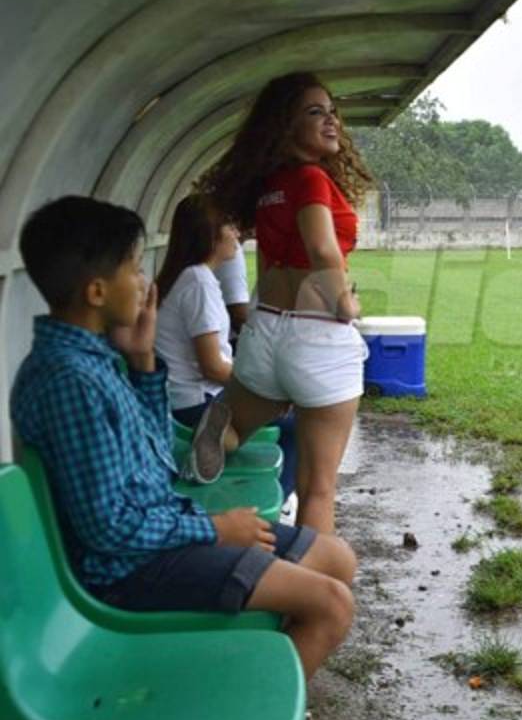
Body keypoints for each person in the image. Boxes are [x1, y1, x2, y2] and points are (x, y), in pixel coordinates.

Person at [11, 195, 357, 680]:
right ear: (95, 291)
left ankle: (245, 676)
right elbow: (108, 530)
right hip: (130, 571)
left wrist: (143, 363)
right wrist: (214, 530)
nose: (144, 282)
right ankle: (251, 719)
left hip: (162, 538)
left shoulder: (96, 361)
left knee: (336, 559)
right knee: (330, 605)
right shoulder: (68, 383)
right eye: (133, 269)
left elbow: (157, 466)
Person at [197, 71, 373, 534]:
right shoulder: (312, 178)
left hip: (267, 331)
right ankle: (311, 601)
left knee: (237, 427)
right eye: (314, 112)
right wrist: (344, 304)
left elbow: (273, 261)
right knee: (317, 487)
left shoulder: (270, 185)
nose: (331, 120)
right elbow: (322, 250)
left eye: (332, 111)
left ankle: (224, 424)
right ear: (284, 126)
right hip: (317, 337)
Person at [154, 194, 298, 497]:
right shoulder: (198, 282)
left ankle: (222, 439)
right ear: (210, 235)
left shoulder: (190, 276)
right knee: (298, 422)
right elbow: (212, 365)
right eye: (229, 227)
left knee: (282, 401)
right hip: (197, 401)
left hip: (185, 396)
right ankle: (275, 499)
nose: (237, 234)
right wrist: (262, 386)